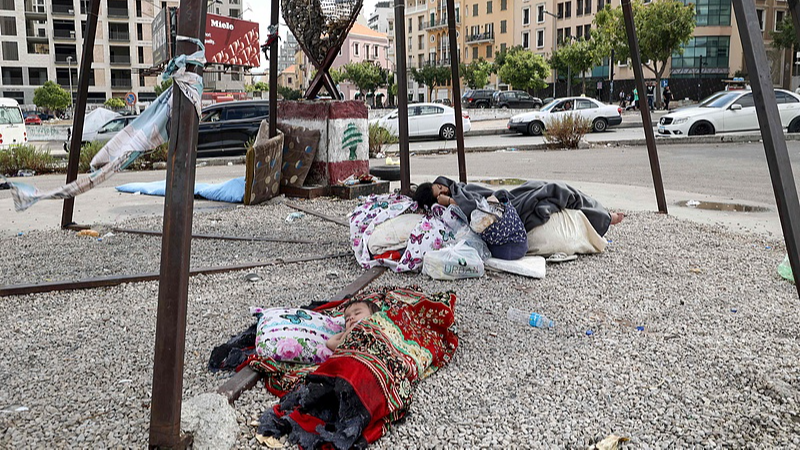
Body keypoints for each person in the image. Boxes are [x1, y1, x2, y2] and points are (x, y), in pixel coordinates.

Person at [414, 177, 624, 237]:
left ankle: (601, 212)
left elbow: (469, 190)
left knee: (540, 185)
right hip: (507, 210)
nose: (444, 188)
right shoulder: (449, 207)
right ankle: (604, 218)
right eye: (439, 191)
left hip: (506, 197)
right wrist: (450, 201)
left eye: (439, 185)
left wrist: (451, 192)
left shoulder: (455, 189)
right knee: (555, 190)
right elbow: (476, 211)